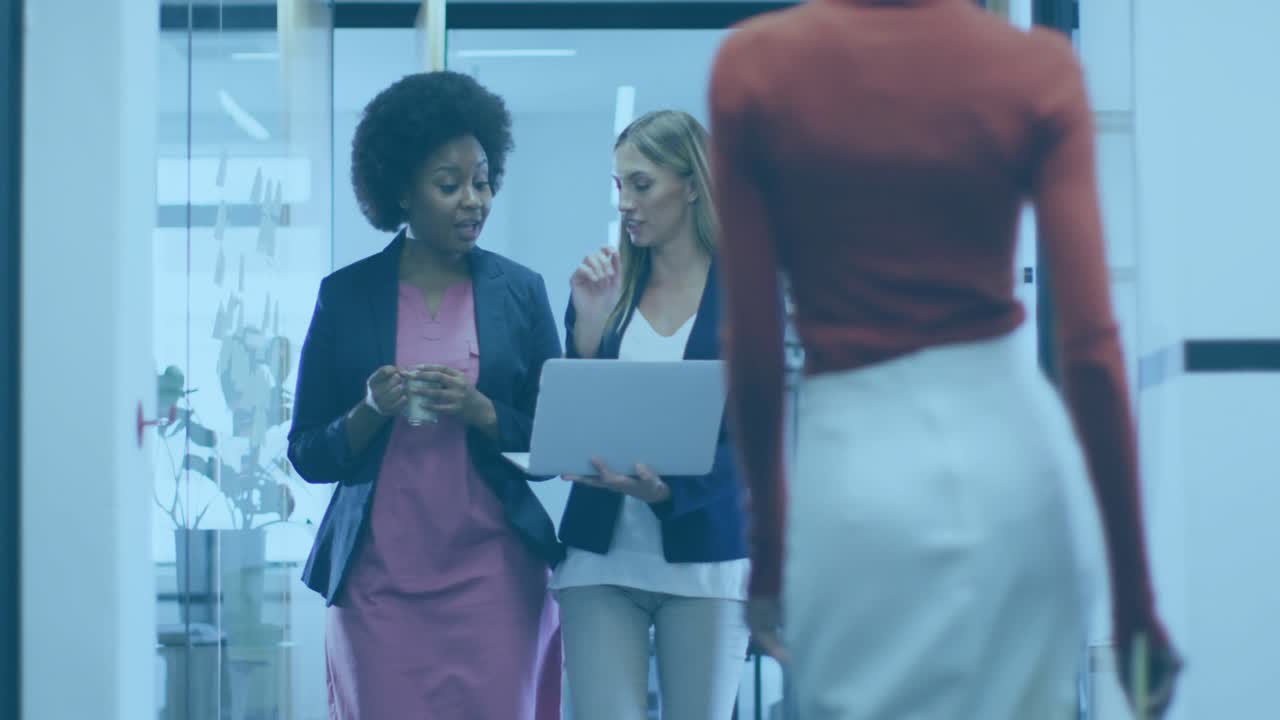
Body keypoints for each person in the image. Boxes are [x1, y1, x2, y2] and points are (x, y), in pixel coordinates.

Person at [708, 1, 1181, 718]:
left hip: (857, 477)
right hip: (1018, 464)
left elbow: (753, 350)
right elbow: (1089, 350)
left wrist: (769, 554)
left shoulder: (756, 66)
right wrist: (1135, 605)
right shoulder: (1038, 66)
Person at [286, 71, 563, 720]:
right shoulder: (345, 296)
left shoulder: (520, 292)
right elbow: (307, 454)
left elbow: (555, 445)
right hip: (378, 587)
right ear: (402, 191)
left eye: (483, 179)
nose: (474, 199)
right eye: (449, 184)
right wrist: (369, 411)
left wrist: (481, 411)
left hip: (498, 579)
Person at [551, 110, 754, 720]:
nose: (626, 204)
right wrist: (588, 326)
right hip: (600, 560)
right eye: (619, 187)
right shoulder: (606, 290)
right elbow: (577, 416)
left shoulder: (747, 298)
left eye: (641, 184)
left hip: (705, 562)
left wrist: (668, 488)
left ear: (692, 184)